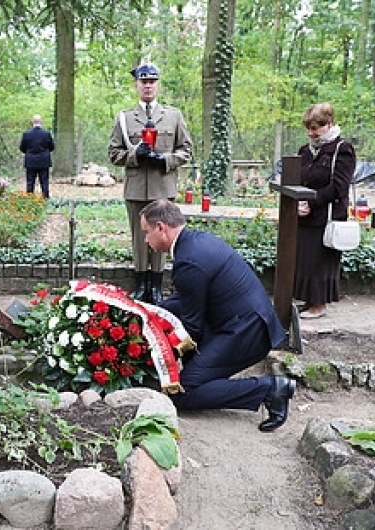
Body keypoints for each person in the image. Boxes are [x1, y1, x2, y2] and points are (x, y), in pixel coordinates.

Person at [139, 199, 295, 432]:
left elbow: (193, 327)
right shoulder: (194, 243)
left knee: (182, 391)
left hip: (246, 332)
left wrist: (155, 351)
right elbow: (186, 299)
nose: (145, 240)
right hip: (240, 323)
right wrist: (148, 312)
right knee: (194, 374)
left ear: (161, 227)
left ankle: (270, 388)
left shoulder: (188, 261)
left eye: (146, 232)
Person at [108, 62, 193, 305]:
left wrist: (164, 159)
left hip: (162, 187)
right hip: (136, 188)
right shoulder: (125, 118)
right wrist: (135, 155)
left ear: (157, 84)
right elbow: (114, 153)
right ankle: (140, 283)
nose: (148, 85)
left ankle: (156, 284)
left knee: (162, 235)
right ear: (137, 84)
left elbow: (186, 151)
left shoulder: (173, 116)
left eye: (152, 81)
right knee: (139, 237)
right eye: (143, 81)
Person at [294, 103, 356, 319]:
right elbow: (298, 180)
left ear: (329, 124)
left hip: (327, 215)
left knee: (320, 261)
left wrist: (311, 201)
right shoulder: (305, 150)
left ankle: (319, 305)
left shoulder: (342, 149)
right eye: (308, 128)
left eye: (316, 128)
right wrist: (298, 202)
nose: (311, 133)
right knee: (305, 259)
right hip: (304, 215)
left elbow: (339, 187)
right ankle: (308, 300)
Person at [19, 114, 54, 199]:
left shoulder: (26, 134)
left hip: (30, 161)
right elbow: (52, 147)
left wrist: (29, 153)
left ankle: (30, 199)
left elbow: (22, 148)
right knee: (44, 182)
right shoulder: (46, 134)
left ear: (32, 122)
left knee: (30, 182)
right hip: (44, 161)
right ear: (41, 122)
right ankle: (45, 198)